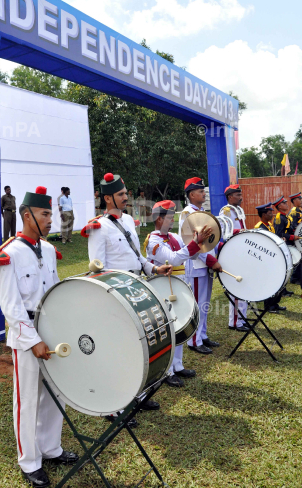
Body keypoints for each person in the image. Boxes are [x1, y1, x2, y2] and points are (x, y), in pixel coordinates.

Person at [0, 186, 78, 488]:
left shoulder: (49, 249)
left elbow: (54, 289)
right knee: (27, 400)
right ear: (27, 216)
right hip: (26, 335)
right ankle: (29, 461)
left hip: (52, 329)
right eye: (44, 214)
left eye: (51, 213)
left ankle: (51, 448)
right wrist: (32, 340)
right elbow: (11, 307)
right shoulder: (10, 252)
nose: (50, 219)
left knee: (57, 394)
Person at [82, 172, 172, 425]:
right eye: (121, 194)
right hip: (115, 294)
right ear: (108, 197)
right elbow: (96, 268)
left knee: (137, 347)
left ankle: (138, 396)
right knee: (115, 350)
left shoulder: (130, 222)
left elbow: (138, 257)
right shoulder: (98, 227)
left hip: (136, 289)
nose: (126, 197)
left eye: (125, 193)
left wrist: (154, 269)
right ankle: (114, 408)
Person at [146, 200, 212, 387]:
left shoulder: (173, 236)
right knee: (168, 328)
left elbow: (189, 254)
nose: (172, 220)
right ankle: (166, 371)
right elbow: (174, 259)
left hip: (179, 283)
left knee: (179, 323)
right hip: (164, 287)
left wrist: (197, 243)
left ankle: (177, 365)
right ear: (159, 219)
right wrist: (194, 244)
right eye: (169, 217)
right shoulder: (154, 241)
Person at [179, 177, 222, 355]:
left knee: (204, 303)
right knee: (197, 304)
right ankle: (194, 341)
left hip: (205, 264)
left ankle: (202, 335)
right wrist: (209, 259)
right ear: (191, 194)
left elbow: (210, 239)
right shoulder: (187, 214)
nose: (204, 193)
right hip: (197, 264)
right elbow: (190, 242)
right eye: (201, 191)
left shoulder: (201, 211)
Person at [219, 184, 249, 332]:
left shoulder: (239, 210)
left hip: (242, 249)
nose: (240, 197)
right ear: (230, 197)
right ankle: (235, 322)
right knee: (237, 287)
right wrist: (239, 231)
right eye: (237, 194)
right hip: (233, 250)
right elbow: (224, 229)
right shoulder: (226, 211)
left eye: (240, 194)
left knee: (244, 283)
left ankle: (242, 318)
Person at [254, 202, 286, 313]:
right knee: (269, 283)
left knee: (277, 282)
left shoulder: (269, 225)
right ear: (263, 214)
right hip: (266, 260)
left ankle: (275, 303)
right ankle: (269, 306)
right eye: (269, 213)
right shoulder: (259, 227)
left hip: (274, 258)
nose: (272, 215)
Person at [272, 195, 299, 297]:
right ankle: (281, 290)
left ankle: (284, 289)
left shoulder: (286, 216)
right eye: (283, 203)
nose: (286, 204)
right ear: (279, 207)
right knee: (283, 269)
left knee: (287, 269)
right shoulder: (279, 218)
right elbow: (279, 234)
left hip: (288, 243)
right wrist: (292, 237)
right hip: (284, 245)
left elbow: (290, 229)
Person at [288, 192, 302, 287]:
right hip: (294, 238)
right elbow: (293, 226)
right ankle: (295, 278)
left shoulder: (299, 211)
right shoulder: (294, 211)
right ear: (294, 201)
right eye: (299, 199)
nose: (301, 200)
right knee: (298, 258)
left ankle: (297, 278)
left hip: (298, 237)